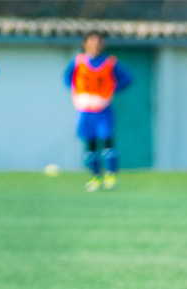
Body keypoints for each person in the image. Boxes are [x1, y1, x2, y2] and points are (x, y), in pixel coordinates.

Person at [64, 31, 133, 192]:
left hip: (102, 109)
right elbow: (67, 79)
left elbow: (127, 79)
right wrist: (77, 94)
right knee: (90, 144)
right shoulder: (78, 61)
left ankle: (111, 176)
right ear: (85, 43)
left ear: (103, 44)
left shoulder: (110, 62)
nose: (96, 44)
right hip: (84, 110)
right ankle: (95, 177)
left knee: (107, 140)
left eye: (99, 41)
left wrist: (112, 89)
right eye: (92, 41)